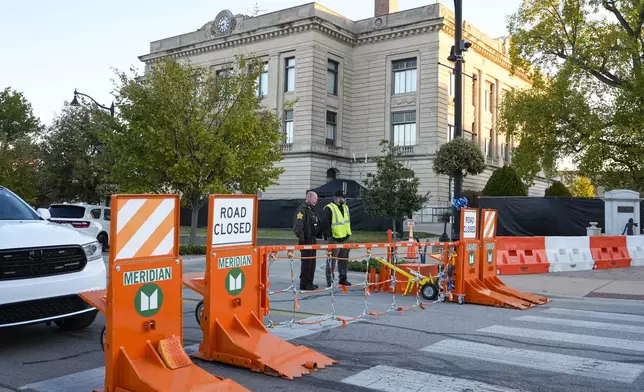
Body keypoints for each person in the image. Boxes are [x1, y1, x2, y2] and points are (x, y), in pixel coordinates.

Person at [323, 190, 352, 287]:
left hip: (345, 238)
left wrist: (348, 235)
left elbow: (346, 222)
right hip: (334, 238)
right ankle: (330, 280)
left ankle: (343, 279)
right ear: (337, 198)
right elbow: (325, 224)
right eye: (342, 198)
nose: (344, 199)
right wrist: (329, 235)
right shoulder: (329, 208)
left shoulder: (345, 207)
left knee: (344, 260)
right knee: (331, 261)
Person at [293, 191, 320, 291]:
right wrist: (302, 240)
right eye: (314, 198)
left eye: (316, 199)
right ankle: (304, 283)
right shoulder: (301, 210)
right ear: (308, 198)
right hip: (306, 240)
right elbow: (298, 227)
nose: (316, 201)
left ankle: (310, 282)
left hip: (312, 239)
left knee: (312, 262)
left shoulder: (311, 210)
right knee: (306, 263)